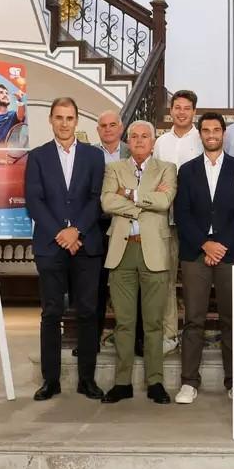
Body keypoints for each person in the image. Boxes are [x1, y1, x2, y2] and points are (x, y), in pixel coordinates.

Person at [22, 97, 106, 402]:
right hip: (50, 244)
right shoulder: (38, 156)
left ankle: (87, 380)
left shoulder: (94, 156)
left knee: (88, 312)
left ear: (76, 121)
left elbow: (97, 198)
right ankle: (51, 381)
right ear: (51, 120)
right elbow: (34, 201)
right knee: (51, 313)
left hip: (86, 244)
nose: (64, 123)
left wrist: (76, 230)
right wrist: (61, 233)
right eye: (59, 117)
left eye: (69, 118)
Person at [173, 112, 234, 404]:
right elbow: (181, 213)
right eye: (205, 130)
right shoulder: (187, 170)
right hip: (195, 253)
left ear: (223, 133)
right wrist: (205, 244)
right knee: (194, 319)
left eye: (216, 130)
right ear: (200, 134)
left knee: (232, 320)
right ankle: (188, 382)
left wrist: (221, 244)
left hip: (229, 253)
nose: (211, 135)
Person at [101, 120, 177, 405]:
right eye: (134, 136)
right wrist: (144, 202)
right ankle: (122, 383)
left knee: (154, 323)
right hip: (122, 251)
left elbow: (165, 201)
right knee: (124, 322)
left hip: (154, 251)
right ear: (128, 141)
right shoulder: (114, 168)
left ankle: (155, 382)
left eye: (145, 136)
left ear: (153, 141)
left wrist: (130, 195)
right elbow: (107, 203)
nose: (140, 140)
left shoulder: (167, 168)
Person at [152, 90, 202, 355]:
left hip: (196, 222)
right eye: (177, 107)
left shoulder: (203, 138)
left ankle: (195, 334)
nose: (182, 112)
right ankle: (169, 334)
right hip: (167, 220)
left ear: (194, 112)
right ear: (171, 110)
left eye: (187, 108)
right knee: (167, 278)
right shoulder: (161, 142)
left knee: (197, 282)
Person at [91, 109, 136, 358]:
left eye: (112, 125)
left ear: (121, 128)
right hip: (96, 226)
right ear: (98, 129)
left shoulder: (134, 151)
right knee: (95, 286)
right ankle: (92, 340)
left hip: (127, 224)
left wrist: (120, 197)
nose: (108, 129)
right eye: (103, 125)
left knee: (131, 285)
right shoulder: (89, 154)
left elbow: (140, 189)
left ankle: (135, 341)